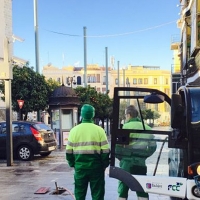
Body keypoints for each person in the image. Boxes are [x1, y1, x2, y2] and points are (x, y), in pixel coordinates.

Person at [66, 104, 110, 200]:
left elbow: (68, 152)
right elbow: (106, 152)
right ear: (92, 115)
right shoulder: (100, 130)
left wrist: (73, 164)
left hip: (80, 168)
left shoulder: (74, 131)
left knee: (79, 194)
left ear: (81, 114)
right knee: (97, 194)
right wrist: (104, 165)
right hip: (96, 168)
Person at [115, 105, 157, 200]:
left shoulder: (125, 127)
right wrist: (144, 156)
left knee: (123, 187)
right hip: (141, 163)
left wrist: (121, 157)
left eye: (126, 115)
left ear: (129, 115)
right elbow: (153, 146)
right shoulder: (147, 128)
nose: (125, 117)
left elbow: (118, 146)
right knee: (141, 186)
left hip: (126, 163)